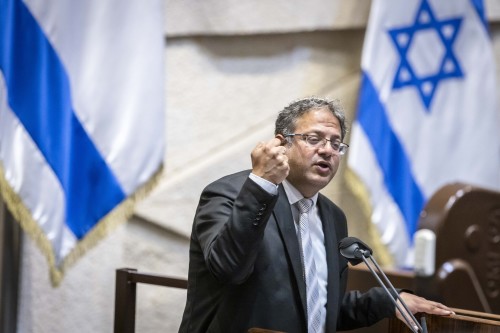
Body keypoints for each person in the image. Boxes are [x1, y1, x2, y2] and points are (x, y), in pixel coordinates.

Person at [178, 97, 453, 333]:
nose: (327, 150)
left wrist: (389, 300)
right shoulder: (229, 193)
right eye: (314, 139)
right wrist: (261, 185)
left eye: (336, 144)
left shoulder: (333, 217)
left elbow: (318, 306)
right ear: (281, 143)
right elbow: (229, 270)